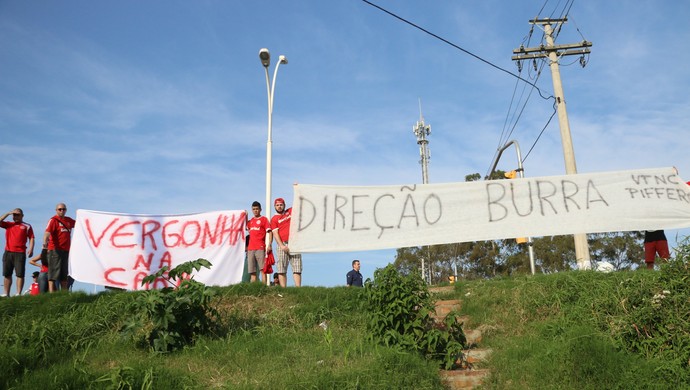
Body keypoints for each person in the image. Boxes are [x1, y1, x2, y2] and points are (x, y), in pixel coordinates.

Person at [1, 208, 35, 297]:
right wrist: (8, 213)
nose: (15, 216)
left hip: (20, 253)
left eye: (18, 214)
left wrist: (31, 248)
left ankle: (18, 293)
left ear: (22, 216)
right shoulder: (9, 224)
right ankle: (6, 293)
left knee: (20, 274)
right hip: (8, 252)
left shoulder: (27, 226)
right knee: (7, 274)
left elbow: (31, 237)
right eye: (14, 214)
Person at [269, 198, 302, 287]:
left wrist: (296, 187)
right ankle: (283, 289)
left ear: (284, 205)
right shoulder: (274, 219)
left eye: (281, 205)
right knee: (281, 268)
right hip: (282, 244)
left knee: (297, 267)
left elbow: (298, 202)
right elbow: (275, 233)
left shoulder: (289, 212)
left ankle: (298, 288)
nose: (279, 207)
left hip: (294, 242)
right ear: (275, 206)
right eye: (277, 205)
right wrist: (282, 245)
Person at [43, 203, 76, 292]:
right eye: (60, 209)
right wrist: (44, 242)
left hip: (66, 250)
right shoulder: (53, 220)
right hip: (55, 250)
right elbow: (47, 232)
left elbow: (79, 225)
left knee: (64, 273)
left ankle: (64, 293)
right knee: (53, 273)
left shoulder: (69, 220)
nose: (62, 211)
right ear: (56, 210)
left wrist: (81, 215)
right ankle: (51, 293)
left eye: (63, 209)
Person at [246, 201, 271, 284]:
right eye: (253, 209)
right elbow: (244, 225)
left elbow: (269, 232)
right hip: (250, 249)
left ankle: (264, 288)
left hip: (260, 248)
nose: (255, 211)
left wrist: (269, 244)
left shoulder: (264, 220)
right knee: (252, 271)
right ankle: (254, 289)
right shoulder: (251, 221)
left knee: (263, 270)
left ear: (260, 209)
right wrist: (245, 215)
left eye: (257, 209)